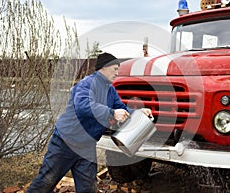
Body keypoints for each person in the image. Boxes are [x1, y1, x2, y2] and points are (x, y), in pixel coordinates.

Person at [26, 52, 152, 193]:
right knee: (45, 182)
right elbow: (83, 106)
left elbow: (121, 109)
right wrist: (111, 113)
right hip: (65, 143)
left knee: (88, 188)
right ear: (103, 68)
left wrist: (138, 112)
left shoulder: (110, 90)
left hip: (87, 147)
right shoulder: (86, 84)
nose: (117, 73)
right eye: (114, 69)